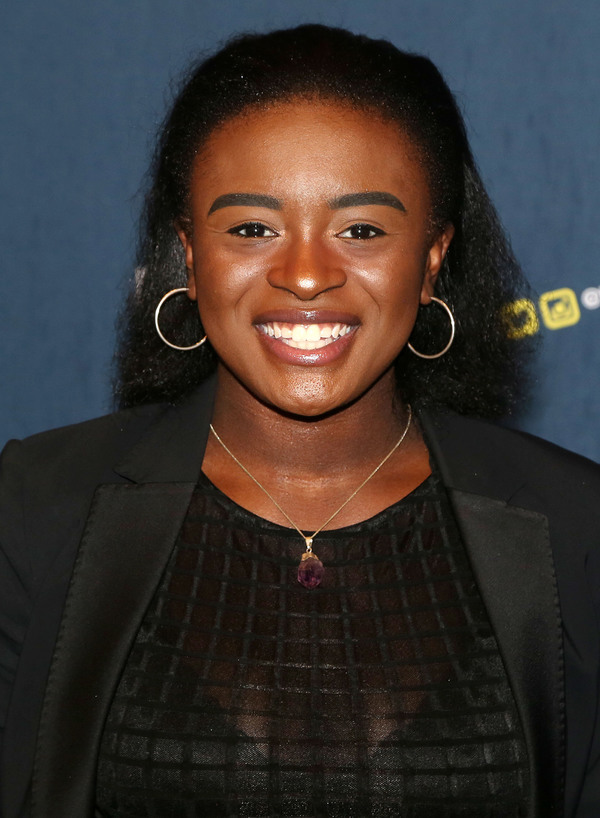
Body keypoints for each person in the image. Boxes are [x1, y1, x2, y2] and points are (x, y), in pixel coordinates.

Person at [1, 24, 599, 818]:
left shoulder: (573, 525)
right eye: (252, 228)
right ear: (189, 256)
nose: (307, 274)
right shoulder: (33, 510)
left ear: (430, 261)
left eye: (362, 229)